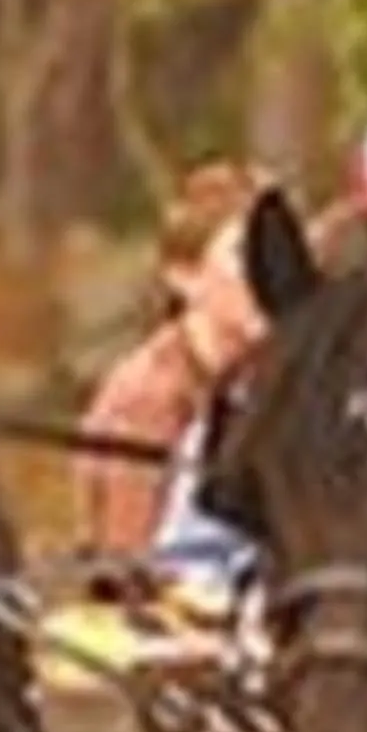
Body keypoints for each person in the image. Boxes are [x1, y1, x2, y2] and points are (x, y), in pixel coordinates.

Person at [74, 161, 266, 589]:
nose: (266, 273)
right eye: (242, 255)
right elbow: (130, 567)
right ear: (184, 276)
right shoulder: (147, 397)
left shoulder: (276, 378)